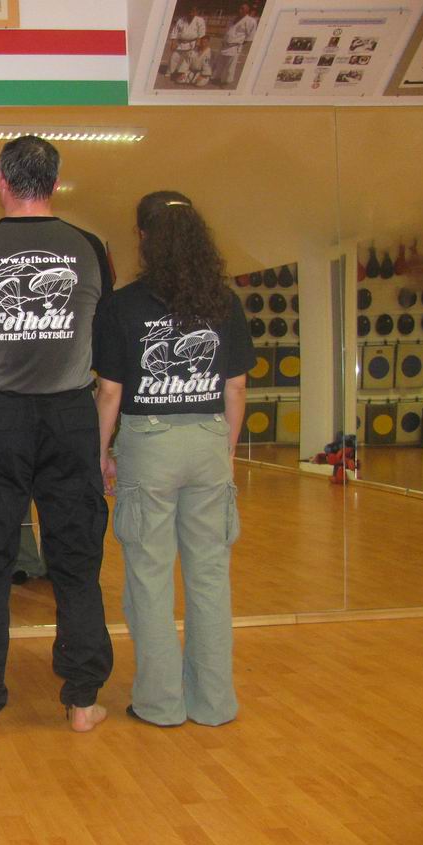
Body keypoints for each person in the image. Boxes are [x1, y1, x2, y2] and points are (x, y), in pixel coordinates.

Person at [0, 135, 114, 737]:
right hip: (70, 416)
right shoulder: (90, 246)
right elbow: (99, 326)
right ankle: (83, 699)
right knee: (76, 558)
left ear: (1, 182)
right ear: (55, 183)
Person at [93, 191, 251, 728]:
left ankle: (161, 704)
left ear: (144, 237)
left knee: (150, 578)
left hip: (150, 447)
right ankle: (214, 703)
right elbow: (235, 388)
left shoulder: (122, 306)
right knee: (210, 578)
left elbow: (109, 393)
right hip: (209, 441)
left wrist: (100, 454)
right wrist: (226, 450)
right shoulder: (224, 303)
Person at [215, 4, 258, 87]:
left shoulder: (251, 21)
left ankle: (225, 82)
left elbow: (250, 37)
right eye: (239, 8)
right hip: (225, 45)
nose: (240, 10)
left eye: (242, 8)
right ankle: (217, 78)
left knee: (230, 66)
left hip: (235, 46)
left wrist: (238, 44)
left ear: (247, 10)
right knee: (220, 63)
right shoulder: (233, 19)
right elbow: (228, 31)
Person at [168, 6, 206, 82]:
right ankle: (170, 72)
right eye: (189, 12)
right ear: (186, 12)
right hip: (181, 43)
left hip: (192, 43)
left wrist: (198, 44)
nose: (191, 14)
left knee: (188, 60)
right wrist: (173, 43)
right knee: (174, 57)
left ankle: (183, 73)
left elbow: (201, 33)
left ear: (196, 13)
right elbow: (175, 31)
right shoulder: (181, 20)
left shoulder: (200, 20)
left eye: (193, 12)